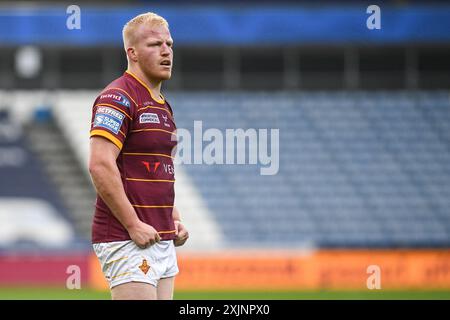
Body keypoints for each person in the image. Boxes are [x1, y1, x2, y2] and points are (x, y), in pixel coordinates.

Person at [88, 12, 188, 300]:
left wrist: (172, 217)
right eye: (155, 44)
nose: (167, 51)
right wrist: (133, 224)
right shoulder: (117, 97)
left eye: (169, 44)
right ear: (131, 52)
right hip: (126, 237)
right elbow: (99, 164)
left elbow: (156, 171)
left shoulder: (162, 106)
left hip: (160, 237)